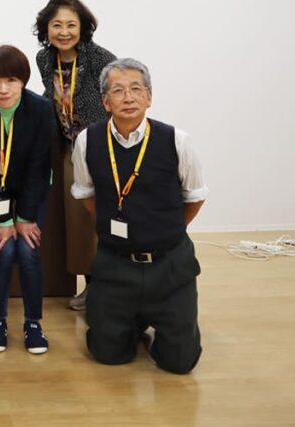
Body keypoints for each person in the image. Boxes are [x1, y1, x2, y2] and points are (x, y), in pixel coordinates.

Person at [72, 58, 208, 374]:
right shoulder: (87, 140)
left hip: (169, 264)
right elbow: (86, 195)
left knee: (179, 363)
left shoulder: (177, 140)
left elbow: (194, 197)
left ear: (149, 97)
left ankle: (162, 325)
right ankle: (131, 323)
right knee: (108, 354)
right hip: (115, 262)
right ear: (105, 101)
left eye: (136, 89)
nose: (128, 97)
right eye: (118, 91)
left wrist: (166, 231)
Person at [0, 46, 53, 354]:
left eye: (11, 80)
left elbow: (39, 166)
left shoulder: (41, 109)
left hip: (33, 185)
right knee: (3, 250)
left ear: (23, 81)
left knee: (28, 251)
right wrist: (2, 219)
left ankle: (33, 322)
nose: (3, 89)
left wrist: (25, 217)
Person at [34, 0, 116, 311]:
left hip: (102, 147)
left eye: (71, 25)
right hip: (70, 149)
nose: (64, 32)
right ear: (46, 28)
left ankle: (113, 284)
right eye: (57, 25)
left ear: (83, 27)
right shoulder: (45, 59)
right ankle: (90, 284)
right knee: (79, 219)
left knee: (106, 217)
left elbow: (115, 101)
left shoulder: (100, 58)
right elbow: (52, 96)